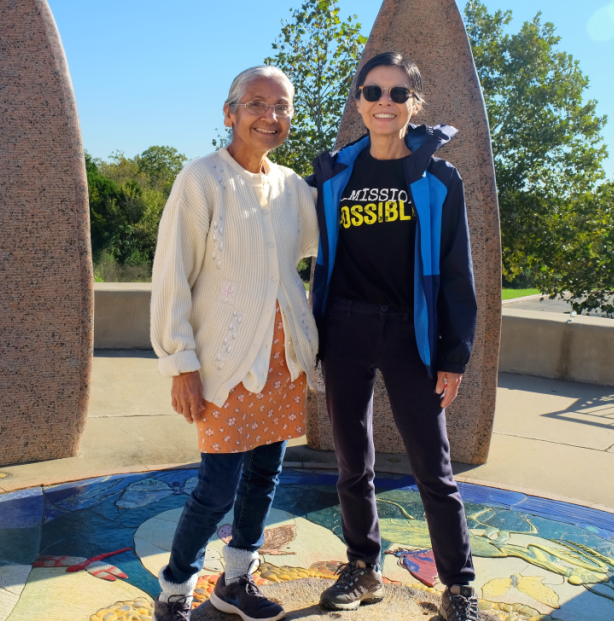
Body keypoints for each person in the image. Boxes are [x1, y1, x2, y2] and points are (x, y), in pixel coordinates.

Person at [306, 52, 481, 621]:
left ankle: (458, 586)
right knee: (352, 462)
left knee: (434, 468)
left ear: (415, 104)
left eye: (398, 94)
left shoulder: (438, 179)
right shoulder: (335, 174)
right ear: (358, 100)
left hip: (411, 333)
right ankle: (364, 568)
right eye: (374, 91)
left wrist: (453, 355)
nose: (385, 102)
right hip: (345, 328)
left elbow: (457, 271)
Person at [149, 65, 320, 621]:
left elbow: (335, 241)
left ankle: (236, 583)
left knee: (265, 477)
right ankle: (177, 586)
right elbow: (173, 273)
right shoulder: (201, 180)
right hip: (224, 363)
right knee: (217, 489)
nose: (270, 117)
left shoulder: (293, 188)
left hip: (282, 360)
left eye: (282, 106)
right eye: (256, 104)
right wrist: (180, 362)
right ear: (230, 113)